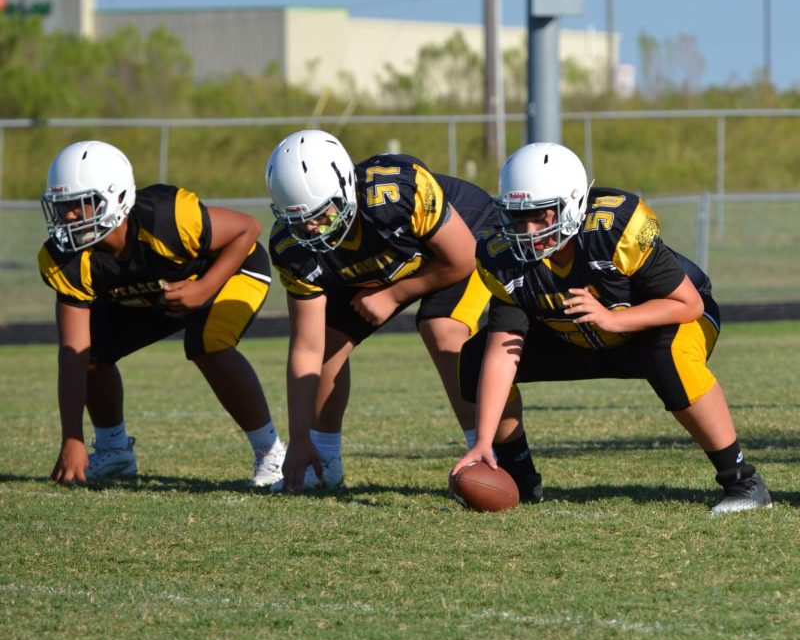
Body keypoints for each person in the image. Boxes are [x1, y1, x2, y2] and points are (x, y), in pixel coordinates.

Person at [450, 141, 772, 514]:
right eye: (518, 216)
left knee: (668, 356)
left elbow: (689, 304)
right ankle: (520, 482)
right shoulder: (499, 255)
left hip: (665, 320)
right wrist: (482, 441)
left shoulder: (614, 229)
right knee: (474, 359)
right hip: (579, 335)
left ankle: (743, 482)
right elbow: (503, 349)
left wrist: (613, 318)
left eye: (540, 215)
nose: (527, 229)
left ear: (570, 205)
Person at [38, 139, 286, 487]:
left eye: (81, 205)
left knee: (207, 343)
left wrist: (204, 288)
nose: (69, 216)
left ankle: (272, 453)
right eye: (63, 207)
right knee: (92, 350)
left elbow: (248, 228)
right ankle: (114, 451)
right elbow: (72, 353)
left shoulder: (167, 216)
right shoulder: (68, 259)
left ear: (117, 197)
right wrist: (72, 438)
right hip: (157, 292)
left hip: (230, 269)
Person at [264, 128, 495, 492]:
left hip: (459, 242)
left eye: (322, 215)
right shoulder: (293, 247)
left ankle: (483, 455)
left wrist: (391, 295)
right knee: (327, 344)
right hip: (385, 267)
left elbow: (462, 258)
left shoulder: (395, 195)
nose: (311, 229)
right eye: (298, 220)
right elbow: (306, 348)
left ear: (344, 190)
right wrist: (299, 437)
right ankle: (324, 459)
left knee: (442, 328)